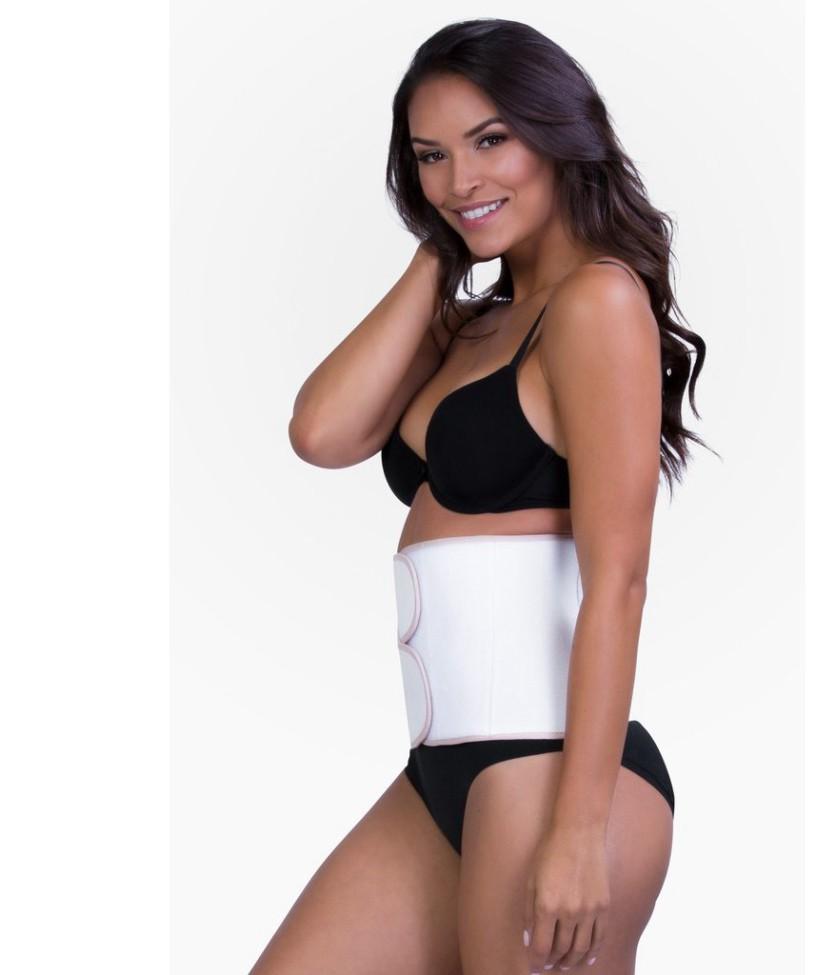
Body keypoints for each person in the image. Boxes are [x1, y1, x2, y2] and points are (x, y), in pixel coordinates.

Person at [251, 17, 709, 975]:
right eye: (431, 156)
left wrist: (579, 829)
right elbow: (320, 432)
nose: (461, 180)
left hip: (554, 769)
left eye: (490, 140)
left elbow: (618, 582)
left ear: (557, 132)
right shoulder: (468, 325)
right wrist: (440, 251)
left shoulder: (597, 302)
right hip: (439, 774)